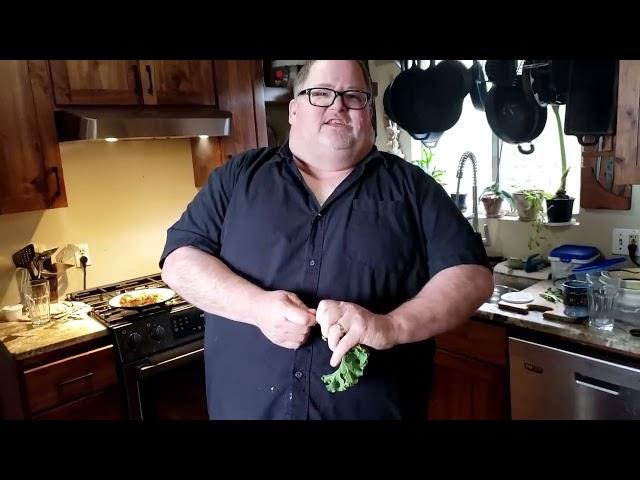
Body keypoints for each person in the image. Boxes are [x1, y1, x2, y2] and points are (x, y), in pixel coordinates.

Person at [159, 60, 494, 420]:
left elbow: (472, 276)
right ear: (294, 109)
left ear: (368, 111)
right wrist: (256, 307)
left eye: (353, 96)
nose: (338, 105)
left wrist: (391, 326)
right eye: (321, 94)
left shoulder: (413, 189)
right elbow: (180, 261)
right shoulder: (238, 178)